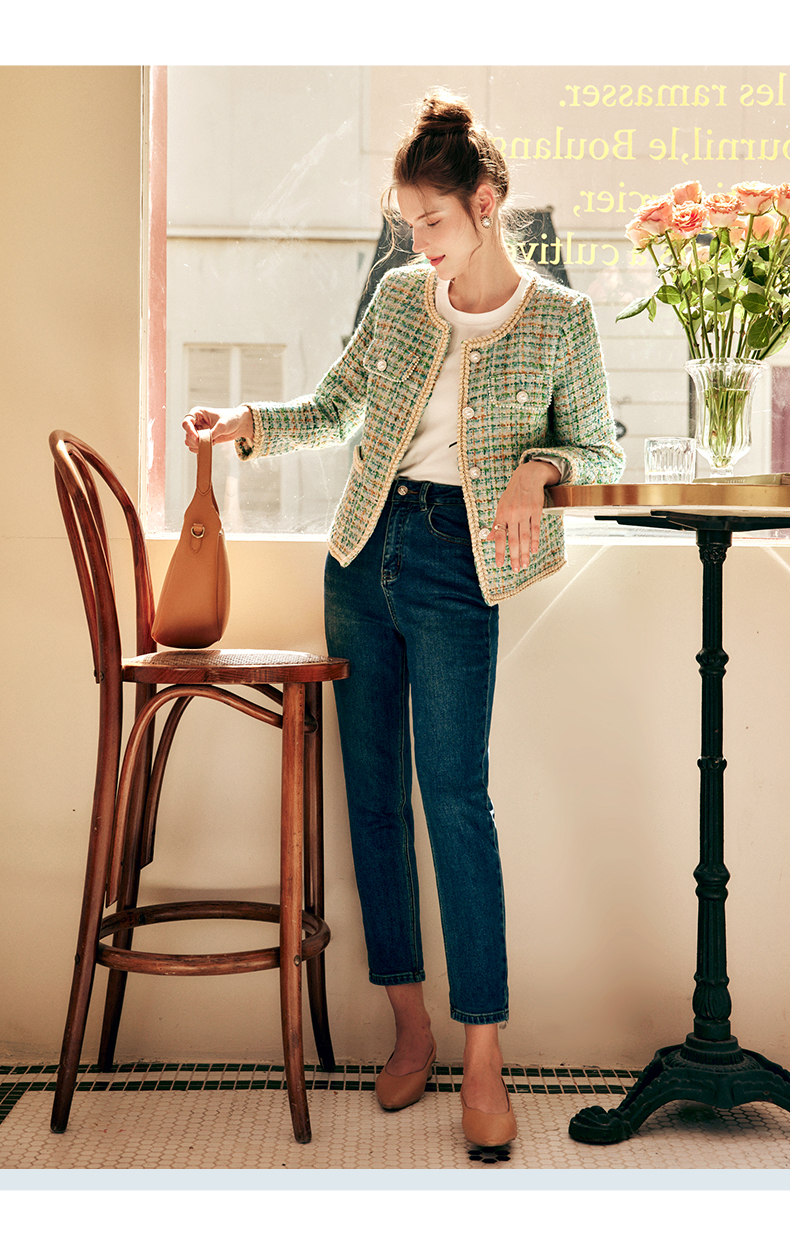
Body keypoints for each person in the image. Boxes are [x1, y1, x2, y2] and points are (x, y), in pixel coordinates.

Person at [183, 89, 625, 1148]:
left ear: (484, 205)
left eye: (431, 220)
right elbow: (338, 405)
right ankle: (410, 1027)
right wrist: (248, 421)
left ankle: (485, 1057)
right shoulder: (396, 297)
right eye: (407, 221)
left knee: (457, 801)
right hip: (361, 553)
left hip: (458, 566)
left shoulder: (559, 320)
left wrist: (539, 466)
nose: (417, 240)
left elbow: (600, 447)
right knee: (373, 801)